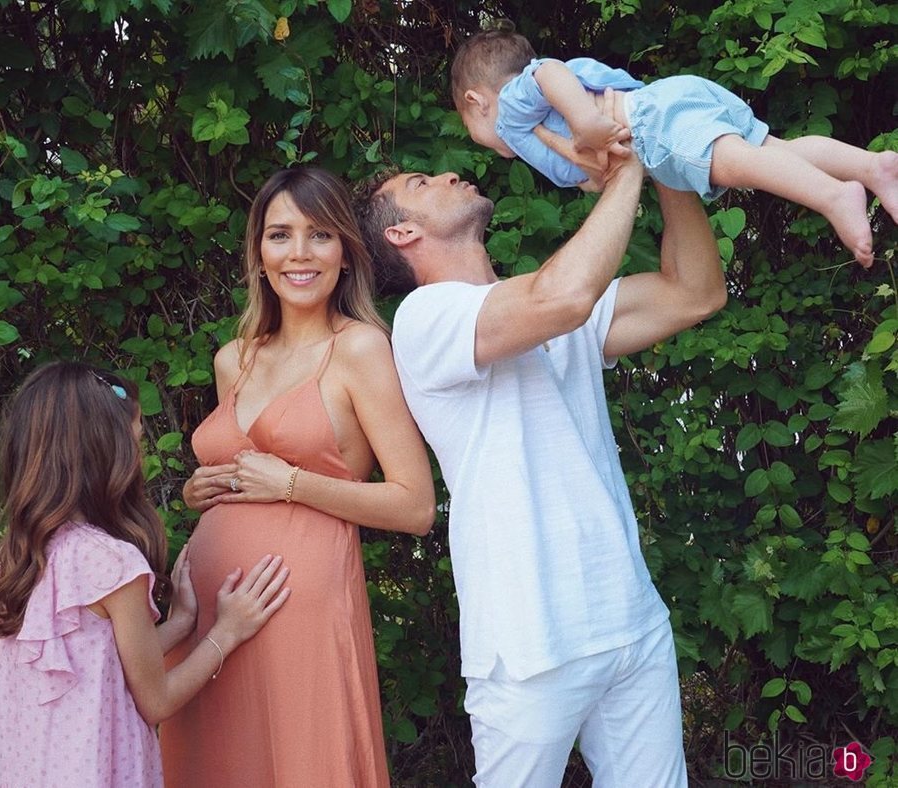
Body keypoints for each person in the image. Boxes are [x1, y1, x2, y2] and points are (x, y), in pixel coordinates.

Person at [354, 129, 725, 785]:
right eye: (421, 184)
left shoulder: (549, 301)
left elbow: (695, 291)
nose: (445, 175)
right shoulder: (425, 318)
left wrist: (666, 163)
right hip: (528, 642)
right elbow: (560, 299)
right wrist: (626, 172)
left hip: (629, 620)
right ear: (402, 235)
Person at [159, 167, 436, 787]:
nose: (300, 254)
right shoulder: (236, 358)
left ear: (345, 252)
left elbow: (415, 505)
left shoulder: (361, 349)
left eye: (320, 235)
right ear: (259, 253)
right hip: (209, 612)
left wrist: (292, 485)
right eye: (281, 235)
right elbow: (237, 471)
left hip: (298, 608)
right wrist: (196, 490)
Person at [0, 361, 291, 788]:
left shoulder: (11, 562)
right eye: (136, 441)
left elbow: (101, 669)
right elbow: (155, 699)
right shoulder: (109, 562)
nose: (139, 457)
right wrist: (227, 632)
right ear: (108, 453)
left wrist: (179, 623)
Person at [451, 29, 898, 268]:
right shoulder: (529, 128)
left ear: (477, 101)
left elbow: (548, 72)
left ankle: (834, 195)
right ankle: (873, 168)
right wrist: (593, 177)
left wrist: (586, 124)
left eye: (473, 129)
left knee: (729, 162)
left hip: (651, 124)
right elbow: (586, 171)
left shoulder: (510, 107)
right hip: (669, 101)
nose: (486, 145)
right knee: (775, 149)